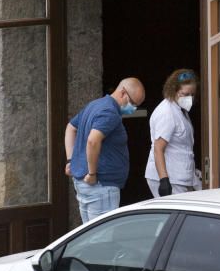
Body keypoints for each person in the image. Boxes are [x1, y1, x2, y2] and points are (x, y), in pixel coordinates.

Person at [64, 77, 146, 223]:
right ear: (123, 93)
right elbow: (93, 140)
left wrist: (71, 160)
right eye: (132, 103)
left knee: (90, 235)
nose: (133, 109)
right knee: (102, 239)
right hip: (101, 185)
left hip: (87, 184)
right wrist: (92, 173)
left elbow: (71, 127)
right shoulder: (110, 112)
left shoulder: (95, 105)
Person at [145, 69, 201, 197]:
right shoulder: (167, 113)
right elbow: (159, 149)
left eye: (192, 94)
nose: (189, 98)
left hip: (180, 175)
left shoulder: (181, 110)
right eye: (185, 94)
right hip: (170, 177)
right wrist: (164, 180)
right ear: (173, 90)